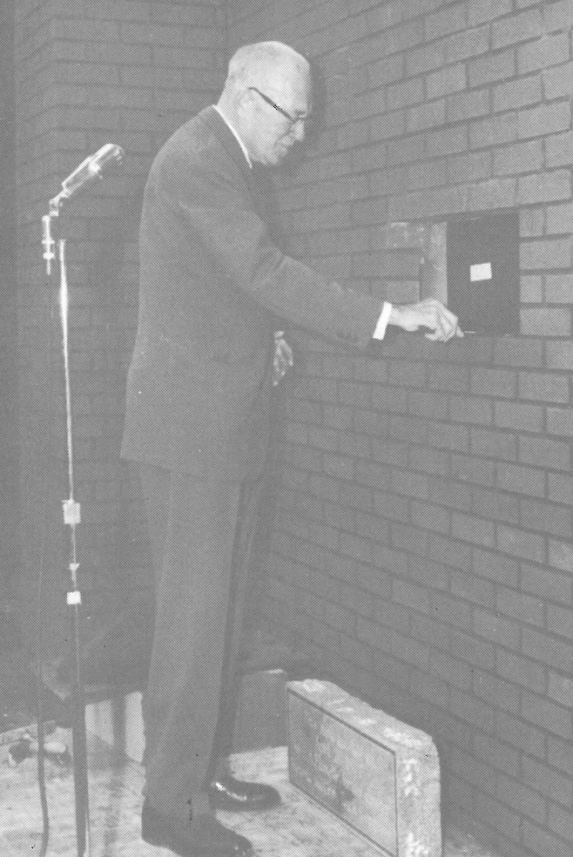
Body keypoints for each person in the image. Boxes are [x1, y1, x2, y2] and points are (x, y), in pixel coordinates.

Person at [121, 40, 461, 857]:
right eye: (292, 114)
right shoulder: (200, 156)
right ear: (243, 93)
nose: (301, 133)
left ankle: (197, 770)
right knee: (194, 623)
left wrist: (263, 333)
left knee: (223, 615)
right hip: (187, 432)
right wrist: (386, 314)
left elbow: (226, 287)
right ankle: (172, 808)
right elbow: (261, 267)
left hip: (219, 423)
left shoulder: (229, 163)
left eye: (307, 115)